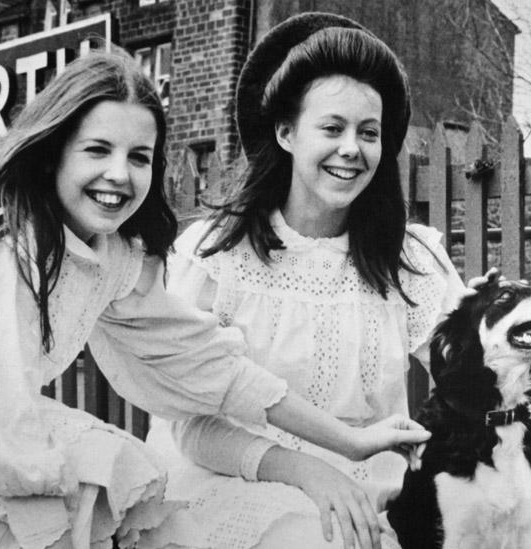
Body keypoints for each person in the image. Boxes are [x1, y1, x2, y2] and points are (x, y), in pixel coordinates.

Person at [0, 48, 430, 548]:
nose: (118, 175)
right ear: (54, 150)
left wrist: (349, 441)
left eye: (138, 158)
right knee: (74, 488)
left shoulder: (113, 259)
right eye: (97, 150)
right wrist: (56, 512)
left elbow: (206, 366)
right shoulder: (3, 248)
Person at [142, 12, 465, 549]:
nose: (351, 150)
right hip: (234, 482)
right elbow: (187, 423)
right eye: (332, 128)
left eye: (368, 133)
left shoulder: (410, 259)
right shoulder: (215, 255)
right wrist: (311, 474)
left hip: (373, 496)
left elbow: (478, 366)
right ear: (286, 132)